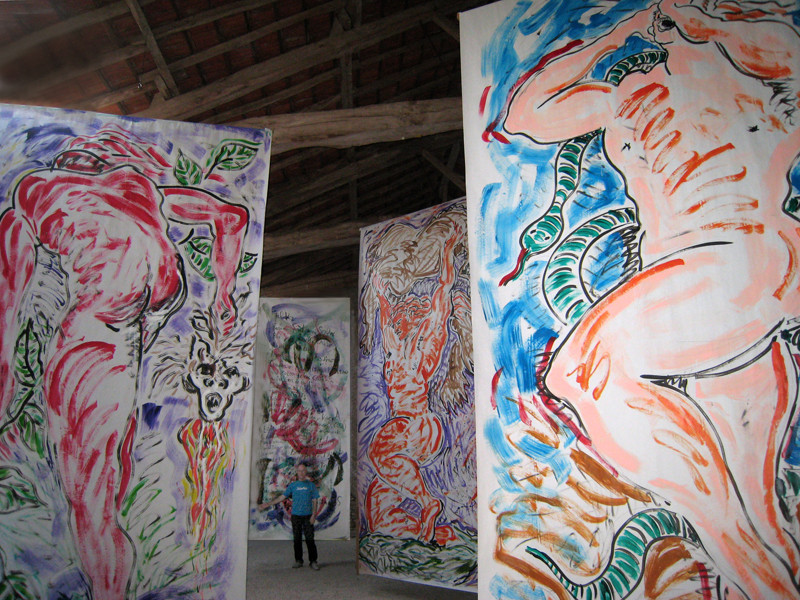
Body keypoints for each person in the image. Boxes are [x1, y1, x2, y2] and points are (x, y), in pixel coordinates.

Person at [501, 1, 800, 598]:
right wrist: (616, 33)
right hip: (699, 300)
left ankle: (743, 550)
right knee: (760, 512)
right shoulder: (624, 101)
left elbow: (786, 52)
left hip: (749, 255)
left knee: (583, 371)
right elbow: (524, 114)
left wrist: (704, 24)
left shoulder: (752, 82)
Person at [0, 126, 249, 599]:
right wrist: (224, 295)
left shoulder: (47, 192)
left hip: (110, 330)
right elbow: (231, 217)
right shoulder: (132, 188)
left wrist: (6, 391)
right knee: (100, 492)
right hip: (122, 326)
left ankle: (110, 588)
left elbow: (7, 309)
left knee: (97, 496)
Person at [358, 206, 471, 545]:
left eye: (408, 311)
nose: (401, 314)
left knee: (379, 453)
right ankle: (435, 534)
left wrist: (448, 250)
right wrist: (378, 287)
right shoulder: (395, 344)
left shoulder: (426, 346)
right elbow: (385, 315)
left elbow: (443, 291)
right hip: (402, 428)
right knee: (378, 511)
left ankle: (428, 503)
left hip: (418, 426)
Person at [260, 462, 320, 570]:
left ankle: (313, 561)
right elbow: (282, 497)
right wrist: (268, 504)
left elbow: (315, 501)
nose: (301, 473)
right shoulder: (293, 485)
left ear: (306, 472)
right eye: (299, 471)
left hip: (308, 516)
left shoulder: (311, 485)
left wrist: (313, 516)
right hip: (296, 516)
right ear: (297, 472)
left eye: (303, 471)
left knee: (310, 539)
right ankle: (299, 560)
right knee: (297, 539)